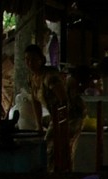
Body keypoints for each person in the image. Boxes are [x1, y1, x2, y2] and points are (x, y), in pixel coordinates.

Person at [23, 43, 85, 171]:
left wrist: (60, 124)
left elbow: (63, 99)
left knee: (52, 146)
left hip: (72, 114)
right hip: (55, 115)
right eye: (27, 60)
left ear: (41, 60)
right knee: (56, 146)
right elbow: (35, 102)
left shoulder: (49, 77)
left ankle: (56, 175)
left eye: (34, 59)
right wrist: (38, 124)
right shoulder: (32, 78)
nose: (30, 63)